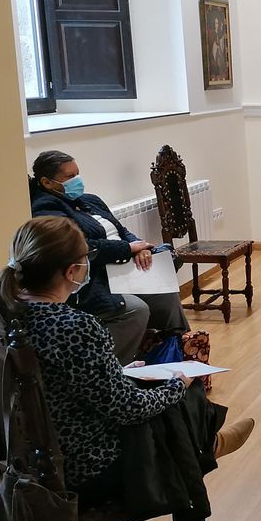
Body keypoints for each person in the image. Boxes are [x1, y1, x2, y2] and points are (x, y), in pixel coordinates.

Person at [0, 216, 254, 521]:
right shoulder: (75, 326)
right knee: (177, 405)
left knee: (160, 393)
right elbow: (126, 408)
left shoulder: (4, 313)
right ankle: (204, 459)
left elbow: (61, 382)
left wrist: (115, 370)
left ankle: (204, 447)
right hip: (81, 467)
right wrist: (177, 383)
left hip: (22, 458)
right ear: (73, 271)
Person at [29, 150, 191, 364]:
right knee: (137, 309)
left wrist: (140, 247)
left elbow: (123, 231)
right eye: (69, 177)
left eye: (78, 174)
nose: (77, 180)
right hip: (96, 280)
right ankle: (117, 370)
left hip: (128, 270)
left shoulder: (90, 200)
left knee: (165, 294)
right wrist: (127, 249)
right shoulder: (46, 208)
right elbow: (81, 247)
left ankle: (179, 353)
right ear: (47, 183)